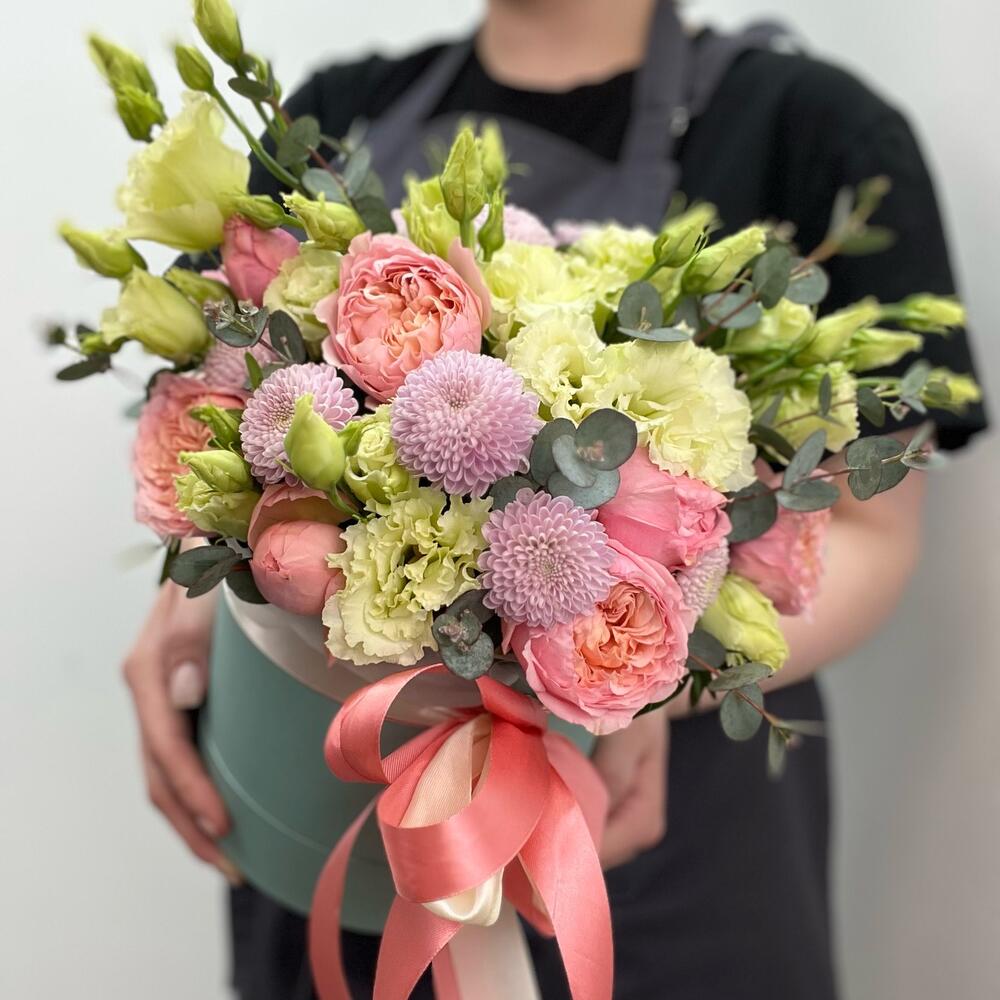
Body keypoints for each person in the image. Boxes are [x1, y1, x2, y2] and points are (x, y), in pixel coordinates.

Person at [121, 1, 987, 997]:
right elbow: (224, 426)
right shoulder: (334, 117)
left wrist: (643, 677)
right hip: (337, 811)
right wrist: (184, 603)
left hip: (659, 836)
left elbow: (875, 530)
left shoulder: (813, 128)